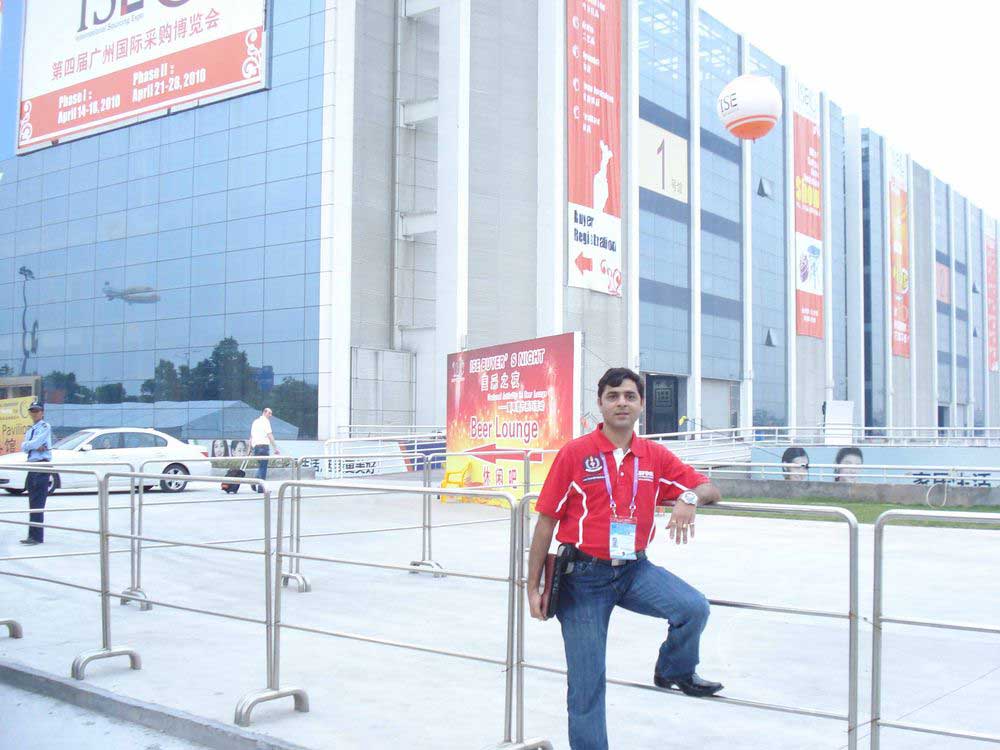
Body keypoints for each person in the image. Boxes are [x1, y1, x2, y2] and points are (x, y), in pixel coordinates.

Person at [526, 368, 724, 750]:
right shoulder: (575, 454)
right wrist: (532, 586)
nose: (622, 403)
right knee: (587, 683)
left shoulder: (654, 456)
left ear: (641, 405)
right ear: (600, 403)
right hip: (582, 577)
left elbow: (709, 488)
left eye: (630, 396)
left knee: (693, 608)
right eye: (613, 396)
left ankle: (674, 669)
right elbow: (546, 521)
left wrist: (688, 498)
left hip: (635, 569)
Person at [20, 402, 52, 546]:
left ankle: (37, 537)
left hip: (41, 465)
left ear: (42, 413)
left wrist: (31, 445)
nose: (34, 413)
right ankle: (31, 535)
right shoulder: (31, 429)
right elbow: (24, 447)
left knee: (38, 502)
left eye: (37, 411)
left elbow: (35, 442)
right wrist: (32, 446)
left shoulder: (45, 426)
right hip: (32, 466)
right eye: (32, 411)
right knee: (32, 501)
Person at [249, 408, 280, 492]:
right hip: (263, 447)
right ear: (264, 412)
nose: (270, 415)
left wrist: (250, 448)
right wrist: (275, 448)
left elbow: (251, 436)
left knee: (261, 466)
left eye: (271, 413)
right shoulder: (266, 422)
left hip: (256, 447)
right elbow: (270, 435)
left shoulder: (255, 422)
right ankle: (261, 488)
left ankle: (254, 481)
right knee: (263, 467)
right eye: (269, 413)